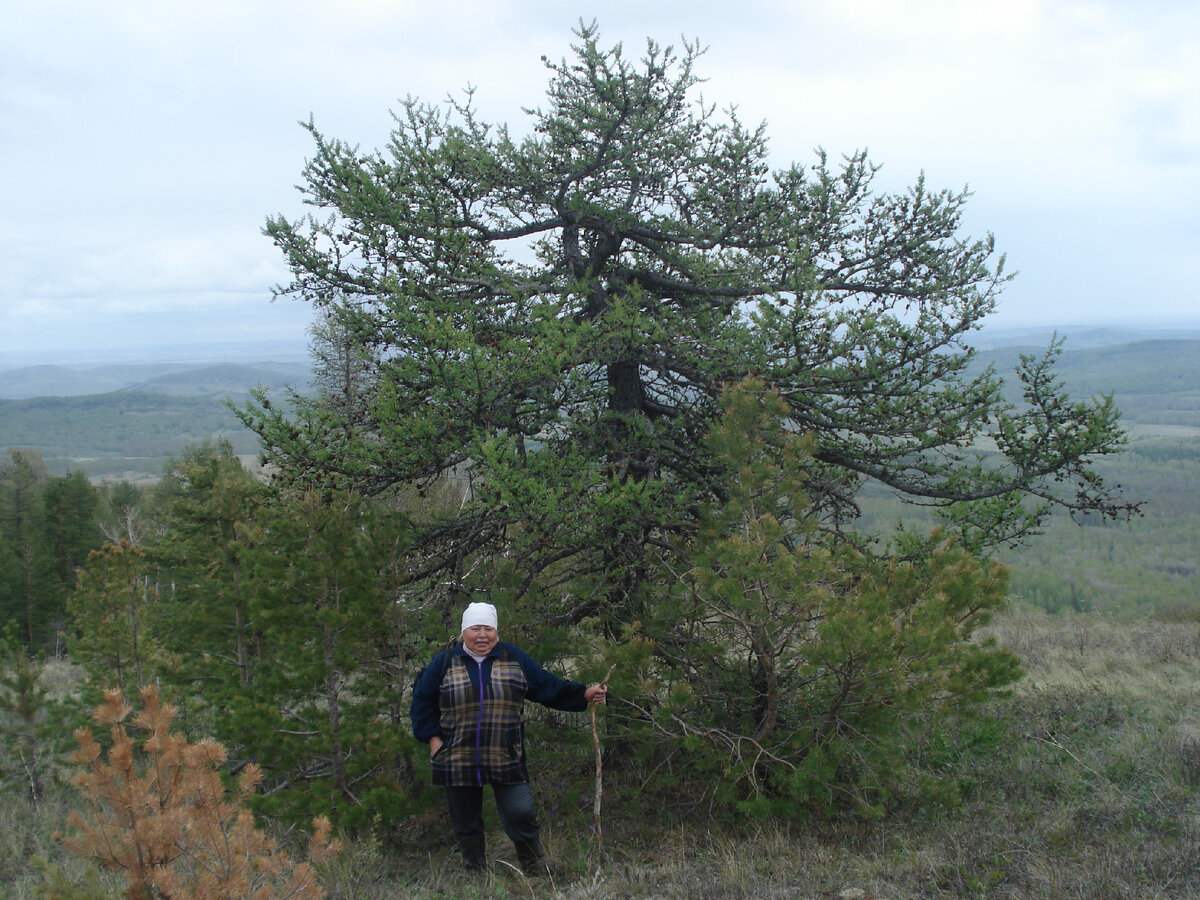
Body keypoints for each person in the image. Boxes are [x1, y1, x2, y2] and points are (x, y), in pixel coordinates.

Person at [409, 601, 608, 875]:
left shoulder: (512, 658)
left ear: (496, 632)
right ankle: (476, 874)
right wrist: (432, 740)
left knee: (520, 811)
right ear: (464, 631)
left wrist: (583, 693)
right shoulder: (444, 662)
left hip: (506, 753)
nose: (482, 635)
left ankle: (536, 870)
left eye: (488, 629)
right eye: (475, 629)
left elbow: (546, 686)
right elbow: (422, 702)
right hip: (456, 756)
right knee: (466, 820)